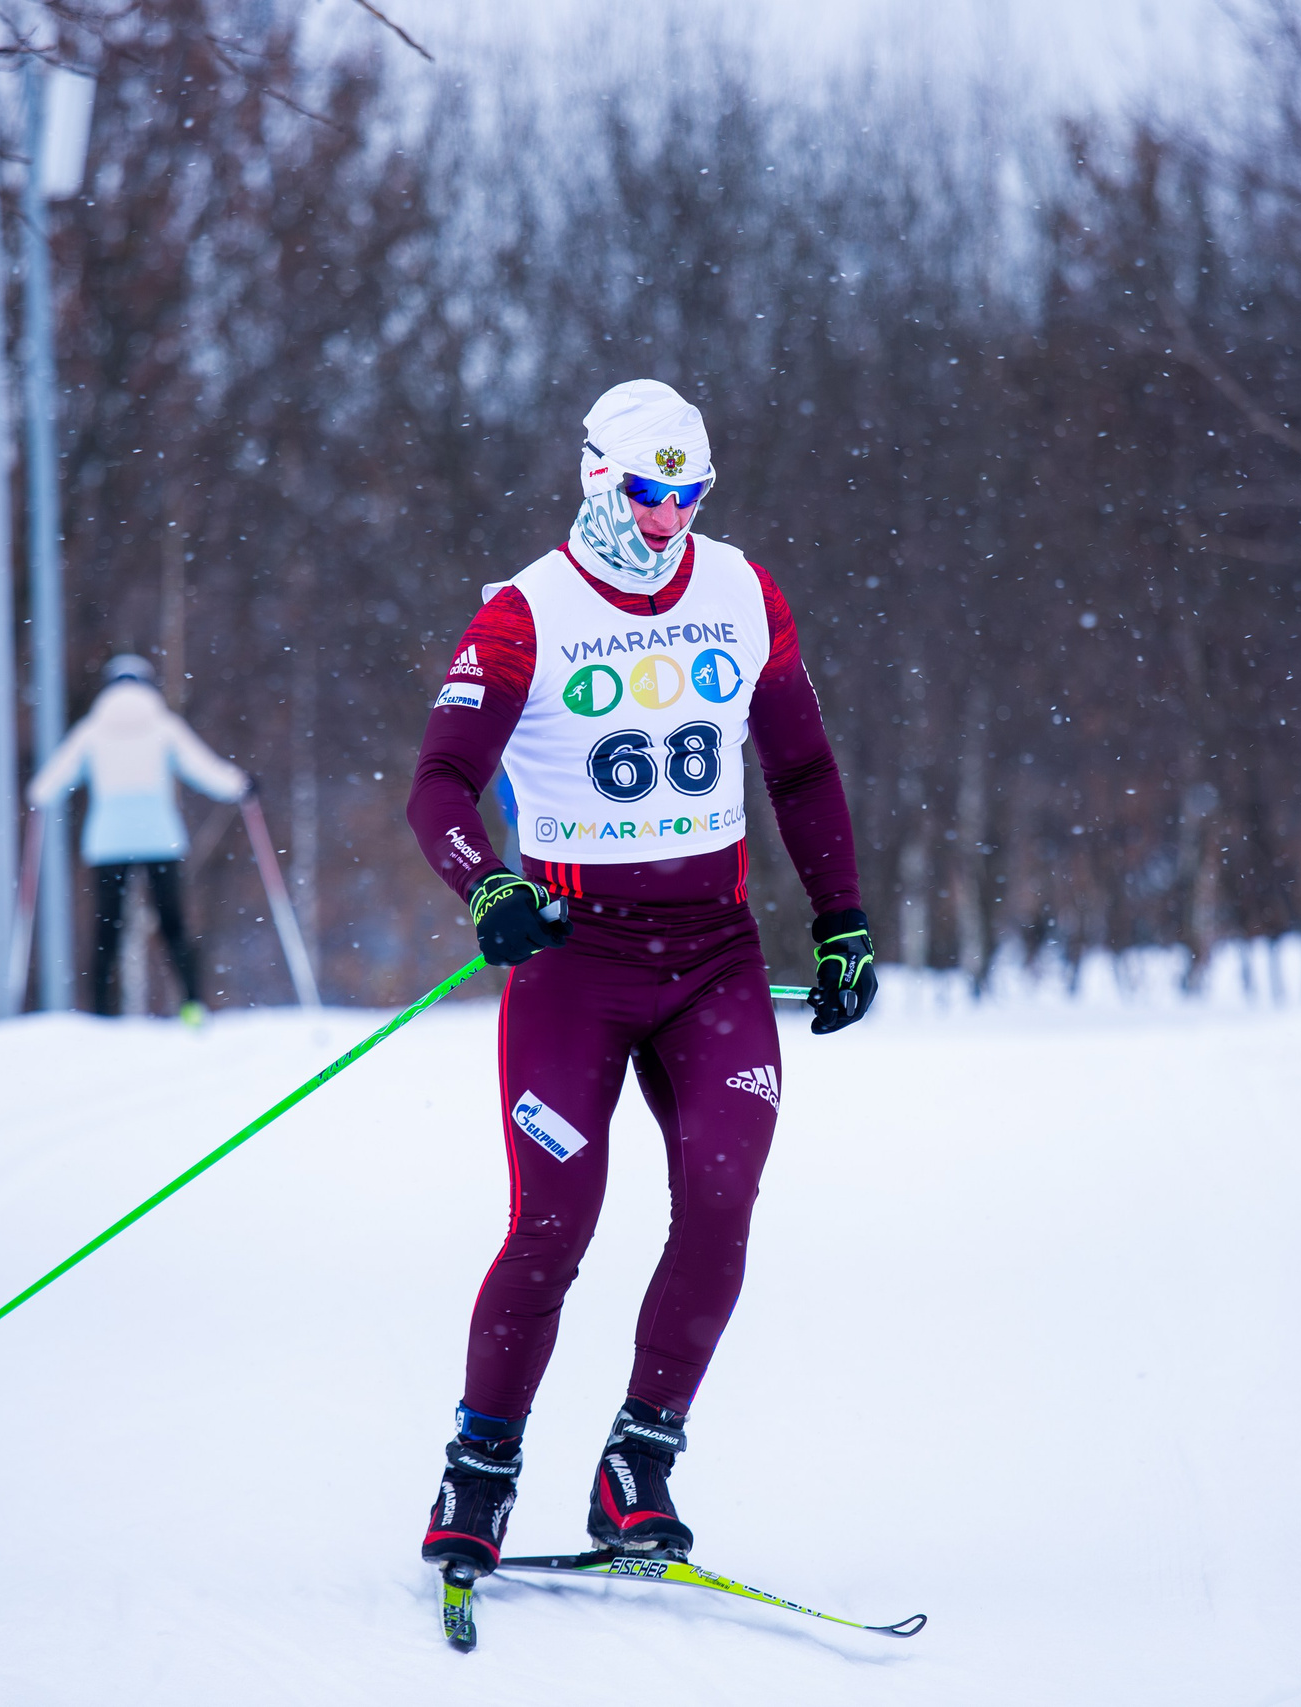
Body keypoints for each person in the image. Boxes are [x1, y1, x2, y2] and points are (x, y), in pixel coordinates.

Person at [404, 378, 876, 1579]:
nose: (671, 519)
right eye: (650, 493)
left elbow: (804, 769)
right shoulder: (523, 614)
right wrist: (490, 886)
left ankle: (636, 1468)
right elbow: (440, 784)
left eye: (693, 493)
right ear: (599, 481)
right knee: (554, 1226)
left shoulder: (740, 589)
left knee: (721, 1202)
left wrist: (842, 922)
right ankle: (480, 1473)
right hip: (576, 962)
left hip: (713, 955)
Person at [27, 654, 251, 1022]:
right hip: (159, 837)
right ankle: (192, 1004)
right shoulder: (164, 727)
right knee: (174, 925)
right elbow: (204, 769)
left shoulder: (92, 731)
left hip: (108, 840)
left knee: (107, 930)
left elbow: (49, 784)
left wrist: (38, 794)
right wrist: (241, 786)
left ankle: (100, 1013)